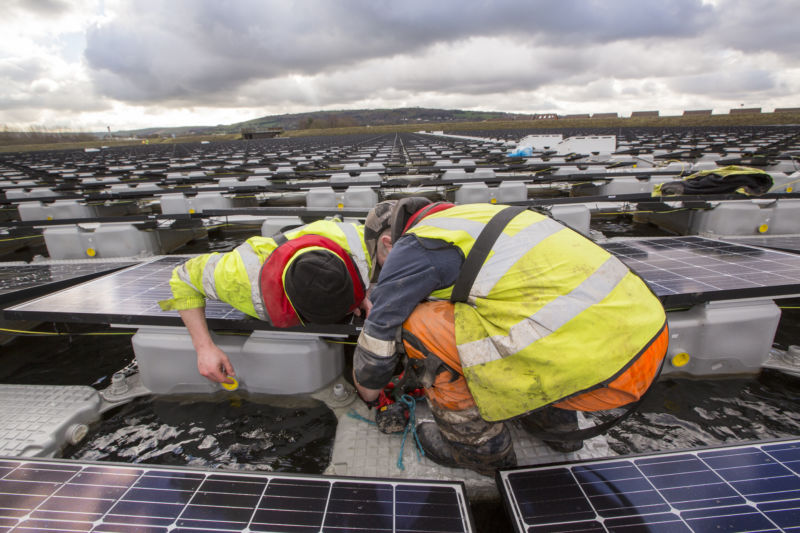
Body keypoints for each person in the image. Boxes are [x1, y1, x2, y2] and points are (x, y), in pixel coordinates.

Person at [354, 198, 668, 475]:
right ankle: (555, 425)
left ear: (387, 244)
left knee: (419, 323)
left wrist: (369, 391)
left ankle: (477, 450)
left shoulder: (415, 244)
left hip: (597, 374)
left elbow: (378, 337)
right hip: (643, 348)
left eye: (382, 267)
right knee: (515, 312)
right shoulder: (475, 219)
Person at [159, 218, 372, 386]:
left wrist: (359, 294)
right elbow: (183, 277)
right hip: (256, 264)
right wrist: (204, 348)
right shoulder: (238, 277)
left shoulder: (358, 242)